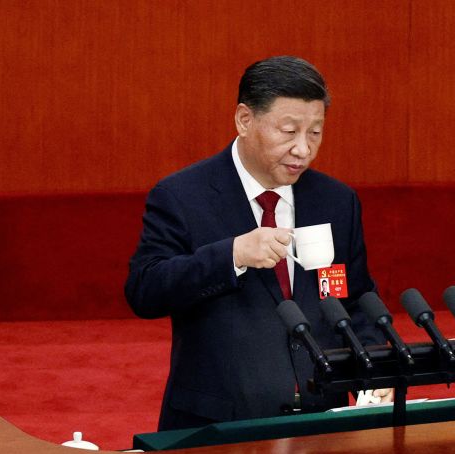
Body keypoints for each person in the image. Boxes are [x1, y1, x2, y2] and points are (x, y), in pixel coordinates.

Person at [125, 56, 390, 432]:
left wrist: (376, 369)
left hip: (322, 424)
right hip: (218, 427)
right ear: (245, 120)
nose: (304, 149)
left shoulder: (335, 200)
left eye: (315, 132)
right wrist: (231, 255)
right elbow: (145, 290)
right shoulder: (182, 196)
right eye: (288, 131)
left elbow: (357, 300)